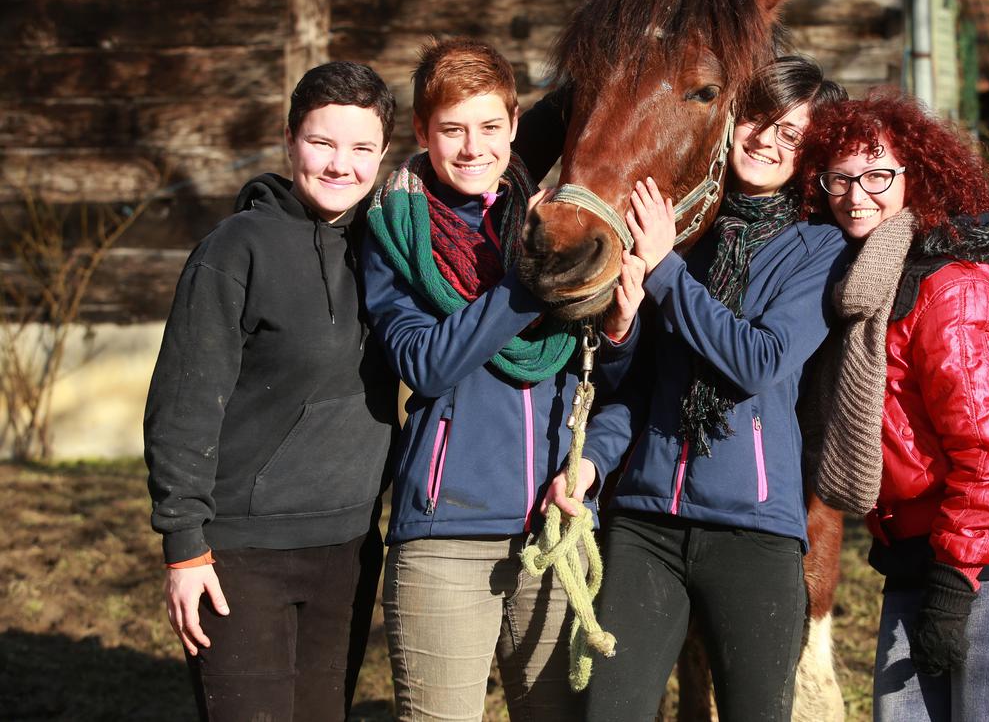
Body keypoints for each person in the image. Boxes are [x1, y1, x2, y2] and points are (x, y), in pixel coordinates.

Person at [553, 55, 850, 721]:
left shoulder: (818, 251)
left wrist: (662, 275)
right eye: (757, 118)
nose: (768, 140)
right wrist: (624, 335)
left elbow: (757, 361)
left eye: (792, 134)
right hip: (646, 525)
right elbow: (636, 392)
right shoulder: (684, 236)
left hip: (754, 533)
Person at [360, 35, 641, 722]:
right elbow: (425, 362)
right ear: (423, 133)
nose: (471, 147)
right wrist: (526, 282)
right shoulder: (395, 231)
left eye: (490, 126)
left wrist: (591, 465)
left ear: (515, 126)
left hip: (555, 534)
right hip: (444, 540)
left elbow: (609, 390)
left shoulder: (560, 222)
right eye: (451, 129)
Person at [797, 88, 989, 722]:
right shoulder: (864, 289)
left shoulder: (953, 291)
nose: (855, 193)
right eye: (839, 178)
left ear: (916, 179)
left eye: (877, 174)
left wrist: (954, 581)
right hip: (915, 553)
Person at [144, 61, 399, 721]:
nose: (341, 164)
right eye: (321, 142)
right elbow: (184, 403)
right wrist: (184, 546)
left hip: (348, 548)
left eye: (361, 148)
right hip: (239, 555)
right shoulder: (236, 250)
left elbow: (481, 144)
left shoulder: (393, 245)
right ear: (289, 140)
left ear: (384, 155)